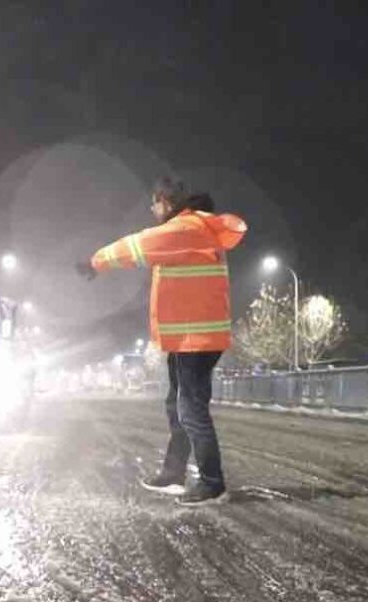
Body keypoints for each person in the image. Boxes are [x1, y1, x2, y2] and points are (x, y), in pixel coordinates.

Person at [75, 177, 246, 504]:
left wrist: (96, 262)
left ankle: (213, 482)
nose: (152, 210)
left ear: (166, 202)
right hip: (192, 337)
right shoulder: (194, 230)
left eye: (154, 203)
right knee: (178, 405)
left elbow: (137, 246)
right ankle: (173, 473)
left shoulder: (183, 230)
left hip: (195, 338)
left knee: (191, 409)